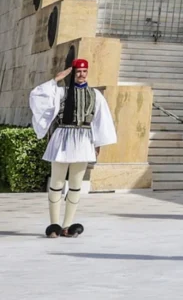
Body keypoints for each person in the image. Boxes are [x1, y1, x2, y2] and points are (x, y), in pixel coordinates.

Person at [29, 59, 117, 238]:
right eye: (78, 72)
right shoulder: (62, 92)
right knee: (57, 183)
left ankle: (67, 226)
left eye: (84, 71)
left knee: (76, 185)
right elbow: (38, 95)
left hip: (83, 140)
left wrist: (98, 143)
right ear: (73, 73)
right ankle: (54, 225)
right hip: (62, 138)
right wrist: (56, 79)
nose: (81, 74)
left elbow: (100, 119)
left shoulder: (95, 95)